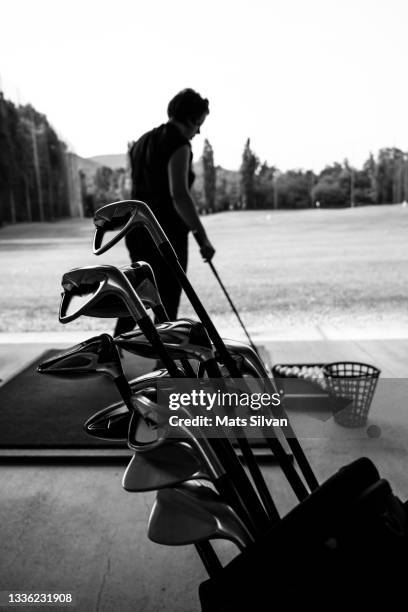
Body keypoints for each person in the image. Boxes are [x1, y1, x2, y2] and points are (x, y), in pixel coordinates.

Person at [114, 88, 215, 336]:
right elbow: (179, 195)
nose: (199, 131)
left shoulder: (141, 142)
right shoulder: (180, 144)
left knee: (136, 298)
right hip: (165, 235)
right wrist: (202, 237)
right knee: (167, 304)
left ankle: (114, 351)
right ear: (191, 119)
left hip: (136, 231)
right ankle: (166, 365)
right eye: (199, 123)